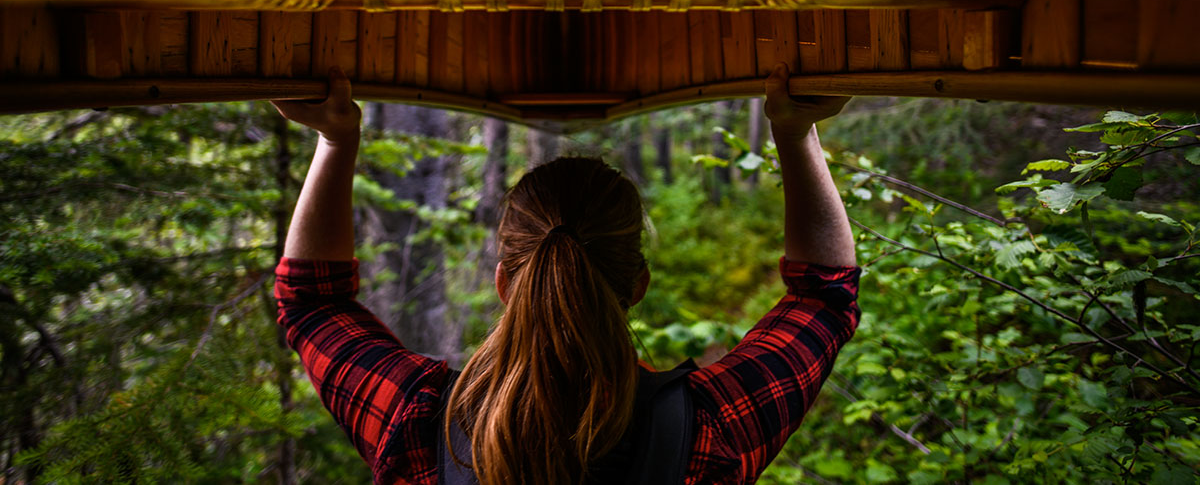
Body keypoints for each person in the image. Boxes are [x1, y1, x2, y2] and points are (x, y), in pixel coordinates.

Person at [271, 64, 860, 484]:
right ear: (638, 286)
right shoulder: (708, 431)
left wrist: (335, 136)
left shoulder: (417, 421)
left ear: (505, 282)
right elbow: (824, 299)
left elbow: (312, 304)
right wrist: (795, 130)